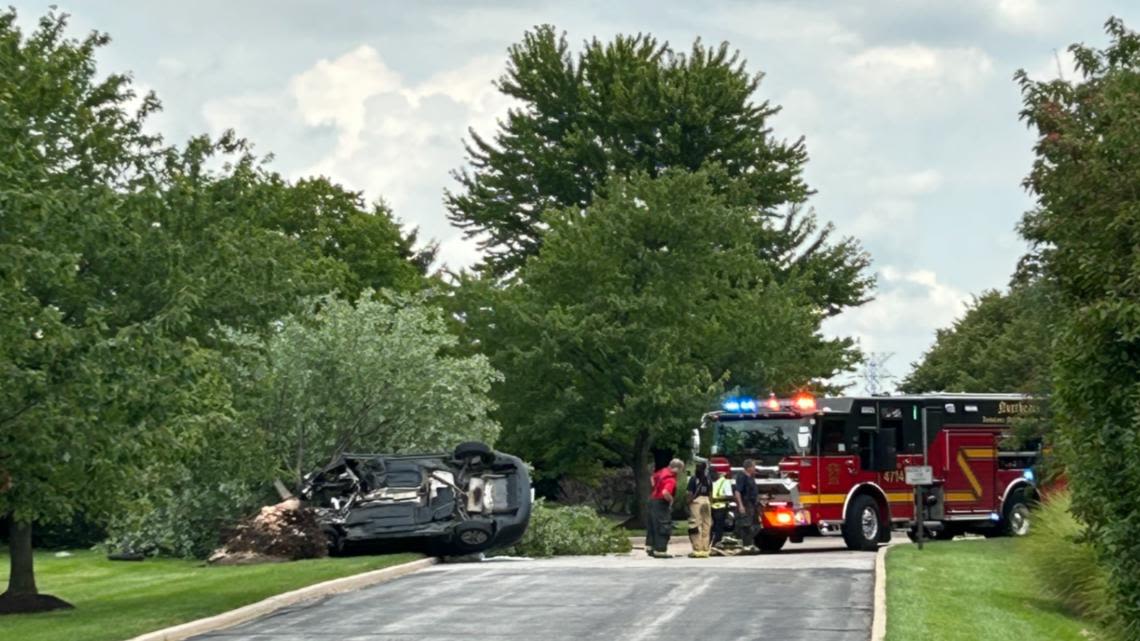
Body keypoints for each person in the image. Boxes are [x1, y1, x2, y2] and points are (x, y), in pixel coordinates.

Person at [646, 458, 684, 558]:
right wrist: (671, 500)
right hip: (661, 503)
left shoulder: (662, 471)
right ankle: (660, 550)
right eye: (681, 470)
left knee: (653, 524)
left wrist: (655, 488)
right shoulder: (670, 479)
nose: (681, 472)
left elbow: (652, 478)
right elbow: (665, 492)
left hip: (652, 500)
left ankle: (650, 547)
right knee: (663, 525)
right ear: (677, 468)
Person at [686, 461, 713, 558]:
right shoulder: (708, 479)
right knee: (706, 524)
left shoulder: (694, 479)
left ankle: (697, 549)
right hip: (706, 501)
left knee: (695, 525)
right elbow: (710, 494)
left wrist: (688, 502)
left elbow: (689, 493)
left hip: (696, 501)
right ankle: (705, 548)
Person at [733, 459, 760, 553]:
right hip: (745, 503)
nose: (754, 468)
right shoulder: (741, 477)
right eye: (753, 466)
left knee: (755, 526)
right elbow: (737, 491)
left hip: (752, 504)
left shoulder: (751, 476)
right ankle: (746, 545)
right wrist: (740, 505)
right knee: (746, 526)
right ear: (748, 468)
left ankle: (749, 544)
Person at [710, 469, 732, 547]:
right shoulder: (711, 482)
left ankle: (716, 543)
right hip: (712, 507)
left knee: (719, 527)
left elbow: (729, 496)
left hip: (721, 507)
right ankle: (708, 544)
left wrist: (717, 499)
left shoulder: (725, 482)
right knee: (711, 527)